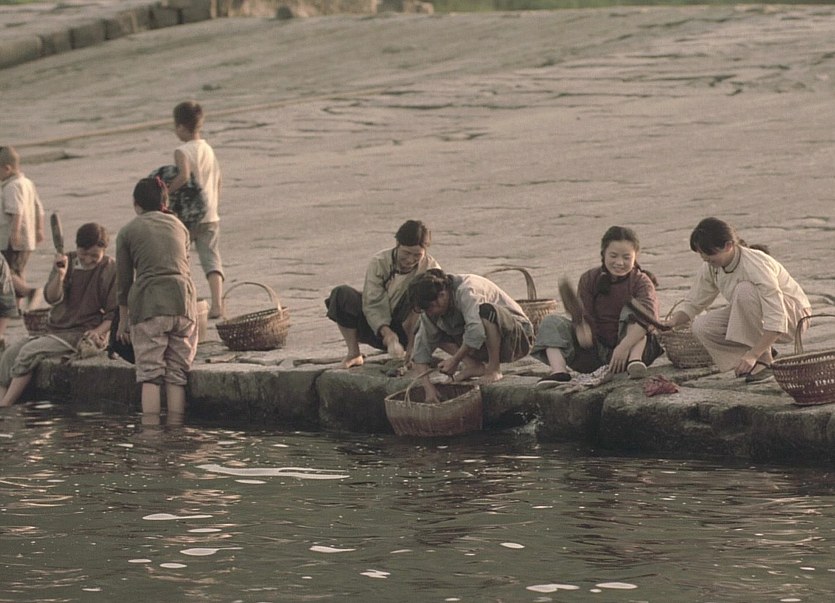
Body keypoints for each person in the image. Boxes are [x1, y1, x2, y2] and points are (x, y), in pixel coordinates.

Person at [665, 217, 811, 383]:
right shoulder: (712, 266)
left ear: (728, 246)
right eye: (702, 255)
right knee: (702, 326)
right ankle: (757, 355)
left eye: (710, 254)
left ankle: (763, 359)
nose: (706, 259)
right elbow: (694, 302)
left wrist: (754, 354)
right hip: (757, 314)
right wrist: (673, 322)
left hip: (794, 316)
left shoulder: (755, 263)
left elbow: (776, 314)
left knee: (744, 291)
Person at [0, 223, 116, 407]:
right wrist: (59, 275)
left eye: (94, 256)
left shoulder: (110, 268)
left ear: (104, 250)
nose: (88, 260)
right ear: (77, 247)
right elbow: (52, 298)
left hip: (83, 332)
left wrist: (98, 331)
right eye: (83, 254)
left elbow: (113, 313)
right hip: (55, 329)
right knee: (8, 355)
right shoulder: (66, 260)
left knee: (29, 352)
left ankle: (6, 406)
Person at [532, 226, 663, 388]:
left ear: (635, 257)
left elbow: (647, 319)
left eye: (626, 257)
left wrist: (623, 347)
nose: (619, 262)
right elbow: (583, 316)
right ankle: (559, 371)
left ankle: (634, 363)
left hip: (634, 349)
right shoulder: (589, 278)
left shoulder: (641, 281)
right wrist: (582, 328)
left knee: (633, 310)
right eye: (613, 256)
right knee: (551, 322)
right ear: (603, 253)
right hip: (597, 354)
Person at [116, 177, 198, 426]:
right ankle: (176, 432)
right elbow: (184, 267)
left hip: (149, 304)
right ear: (165, 202)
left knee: (150, 375)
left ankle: (150, 438)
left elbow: (124, 283)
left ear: (136, 203)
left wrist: (123, 322)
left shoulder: (128, 231)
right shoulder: (179, 226)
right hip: (184, 303)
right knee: (176, 375)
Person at [325, 219, 439, 368]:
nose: (410, 260)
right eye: (406, 253)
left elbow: (429, 311)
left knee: (421, 294)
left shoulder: (431, 269)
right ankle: (354, 353)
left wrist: (413, 346)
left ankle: (414, 351)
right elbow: (373, 301)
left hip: (412, 332)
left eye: (417, 255)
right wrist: (387, 333)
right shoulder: (379, 262)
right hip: (377, 328)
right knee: (342, 295)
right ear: (397, 244)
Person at [408, 268, 533, 402]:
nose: (429, 312)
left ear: (442, 295)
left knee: (486, 312)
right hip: (481, 344)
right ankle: (473, 365)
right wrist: (429, 390)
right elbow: (420, 352)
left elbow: (476, 332)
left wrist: (455, 360)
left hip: (516, 338)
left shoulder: (467, 290)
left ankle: (493, 369)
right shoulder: (430, 313)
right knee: (431, 327)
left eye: (431, 307)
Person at [167, 101, 224, 319]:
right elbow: (219, 179)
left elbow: (183, 176)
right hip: (211, 214)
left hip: (189, 215)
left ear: (181, 127)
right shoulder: (208, 148)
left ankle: (186, 303)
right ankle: (217, 304)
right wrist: (214, 203)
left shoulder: (182, 151)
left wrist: (166, 192)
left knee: (180, 258)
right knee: (211, 258)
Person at [0, 145, 45, 308]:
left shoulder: (11, 187)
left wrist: (15, 233)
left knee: (6, 271)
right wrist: (39, 229)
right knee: (18, 271)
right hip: (28, 238)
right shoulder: (27, 183)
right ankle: (17, 306)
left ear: (7, 168)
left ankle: (29, 292)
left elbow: (16, 211)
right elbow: (39, 207)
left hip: (12, 240)